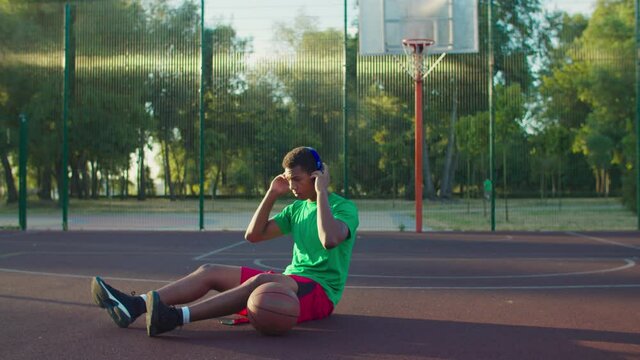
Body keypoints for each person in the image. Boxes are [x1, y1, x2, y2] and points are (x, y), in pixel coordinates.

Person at [91, 146, 359, 336]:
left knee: (261, 281)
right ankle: (134, 306)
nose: (292, 187)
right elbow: (253, 236)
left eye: (297, 180)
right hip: (290, 281)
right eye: (288, 181)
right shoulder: (295, 210)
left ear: (317, 175)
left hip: (319, 292)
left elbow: (329, 240)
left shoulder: (343, 208)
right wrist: (271, 194)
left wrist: (322, 192)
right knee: (210, 271)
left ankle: (174, 317)